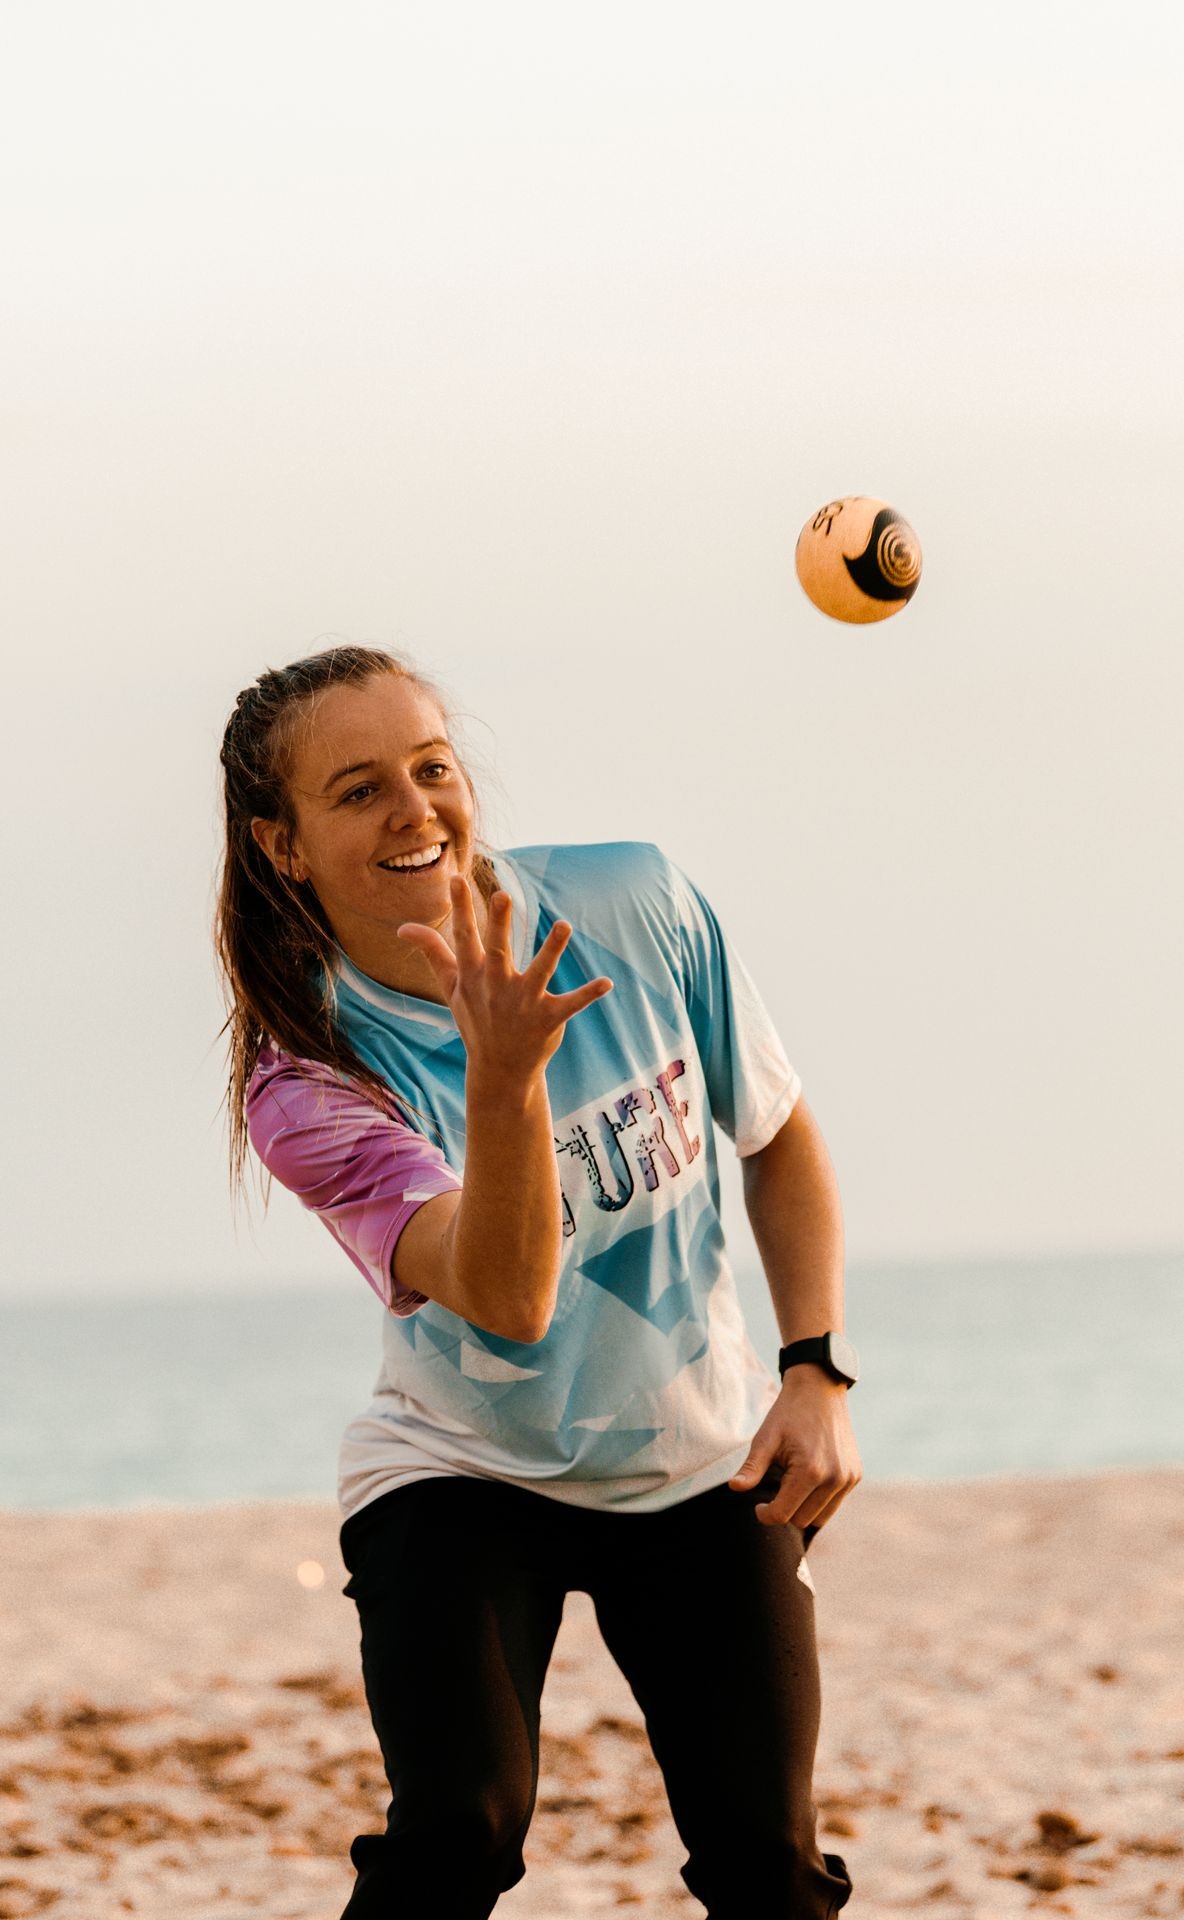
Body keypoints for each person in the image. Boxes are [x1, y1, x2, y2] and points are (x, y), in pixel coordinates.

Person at [216, 644, 862, 1919]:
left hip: (698, 1464)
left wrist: (814, 1368)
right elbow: (504, 1298)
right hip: (461, 1470)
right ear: (282, 845)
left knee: (766, 1867)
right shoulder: (309, 1085)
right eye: (356, 791)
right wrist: (502, 1073)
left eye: (431, 767)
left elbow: (776, 1136)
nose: (415, 810)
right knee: (461, 1830)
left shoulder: (631, 900)